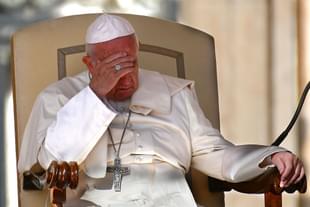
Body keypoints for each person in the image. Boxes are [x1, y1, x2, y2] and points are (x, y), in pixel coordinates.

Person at [18, 14, 304, 207]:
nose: (125, 76)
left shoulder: (175, 93)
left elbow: (216, 154)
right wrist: (96, 95)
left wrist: (269, 157)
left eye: (130, 62)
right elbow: (53, 159)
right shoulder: (59, 97)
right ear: (90, 64)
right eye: (113, 67)